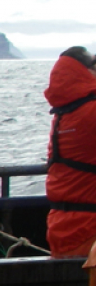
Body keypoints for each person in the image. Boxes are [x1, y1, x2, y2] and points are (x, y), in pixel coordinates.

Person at [45, 45, 96, 258]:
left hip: (63, 228)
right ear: (84, 72)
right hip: (90, 232)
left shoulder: (64, 114)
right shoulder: (90, 112)